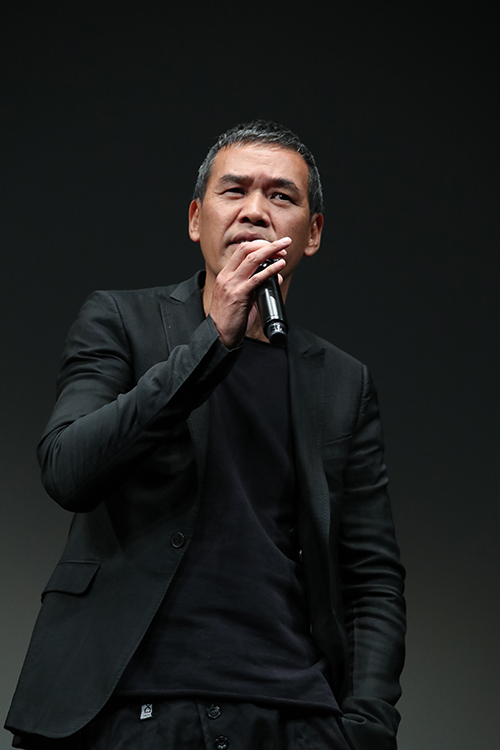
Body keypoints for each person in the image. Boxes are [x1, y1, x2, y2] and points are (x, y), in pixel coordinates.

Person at [5, 121, 406, 750]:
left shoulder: (341, 381)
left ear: (312, 233)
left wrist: (366, 729)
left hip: (291, 714)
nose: (255, 210)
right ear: (197, 220)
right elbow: (67, 469)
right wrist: (211, 340)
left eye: (281, 196)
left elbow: (371, 576)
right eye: (234, 191)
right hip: (131, 708)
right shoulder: (120, 320)